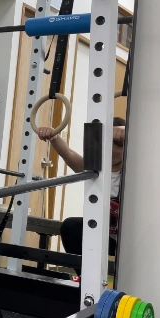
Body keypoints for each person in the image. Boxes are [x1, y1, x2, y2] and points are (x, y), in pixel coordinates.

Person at [36, 117, 126, 273]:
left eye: (118, 143)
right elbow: (69, 154)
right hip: (108, 236)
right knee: (70, 226)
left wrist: (126, 131)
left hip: (132, 239)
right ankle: (84, 278)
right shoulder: (94, 169)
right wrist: (53, 137)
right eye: (108, 143)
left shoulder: (136, 168)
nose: (112, 149)